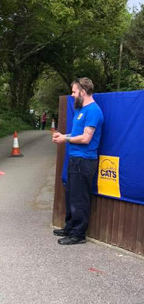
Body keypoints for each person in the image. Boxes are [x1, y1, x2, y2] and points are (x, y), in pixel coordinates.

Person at [52, 77, 103, 245]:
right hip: (75, 159)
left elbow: (86, 138)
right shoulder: (81, 110)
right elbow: (76, 135)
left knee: (79, 198)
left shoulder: (93, 111)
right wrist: (63, 136)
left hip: (84, 160)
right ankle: (70, 227)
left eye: (74, 92)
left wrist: (65, 140)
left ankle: (78, 234)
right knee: (71, 195)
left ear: (82, 91)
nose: (72, 95)